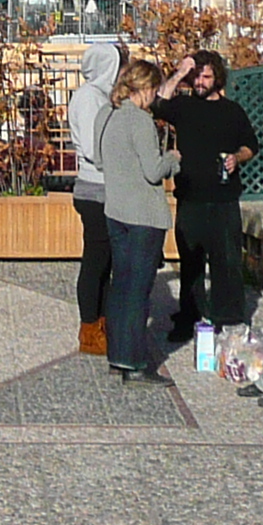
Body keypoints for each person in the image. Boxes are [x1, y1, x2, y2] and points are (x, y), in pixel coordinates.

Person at [153, 49, 260, 346]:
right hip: (190, 197)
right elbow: (158, 103)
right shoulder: (184, 106)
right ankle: (190, 318)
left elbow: (251, 145)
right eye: (196, 76)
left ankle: (229, 319)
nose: (200, 82)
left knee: (227, 263)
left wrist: (237, 158)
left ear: (218, 78)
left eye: (206, 76)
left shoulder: (231, 111)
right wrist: (178, 72)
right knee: (191, 263)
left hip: (224, 199)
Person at [98, 57, 179, 383]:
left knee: (120, 286)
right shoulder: (141, 122)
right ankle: (135, 360)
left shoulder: (107, 115)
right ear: (144, 89)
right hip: (144, 216)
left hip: (115, 211)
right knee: (138, 292)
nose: (156, 97)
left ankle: (117, 356)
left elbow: (98, 157)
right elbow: (152, 171)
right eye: (155, 90)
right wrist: (172, 158)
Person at [66, 41, 125, 356]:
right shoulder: (89, 98)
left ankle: (102, 323)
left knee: (105, 263)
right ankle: (90, 329)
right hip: (95, 190)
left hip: (107, 189)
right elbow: (93, 148)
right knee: (95, 262)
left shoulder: (102, 97)